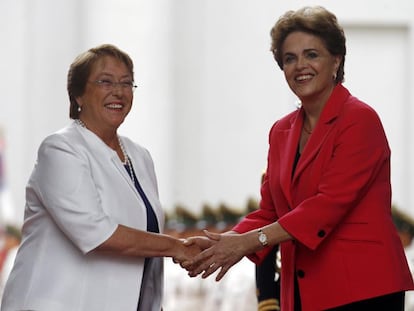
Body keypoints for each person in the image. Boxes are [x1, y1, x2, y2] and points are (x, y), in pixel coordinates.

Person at [181, 6, 414, 311]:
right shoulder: (281, 131)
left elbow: (325, 206)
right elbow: (269, 211)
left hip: (362, 289)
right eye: (289, 58)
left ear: (336, 60)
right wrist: (221, 242)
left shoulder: (360, 120)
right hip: (301, 289)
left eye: (311, 54)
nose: (300, 65)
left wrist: (247, 243)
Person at [0, 44, 200, 311]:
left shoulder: (140, 157)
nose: (118, 91)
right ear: (78, 95)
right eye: (105, 81)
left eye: (127, 83)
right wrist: (178, 247)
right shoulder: (61, 149)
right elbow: (96, 233)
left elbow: (146, 239)